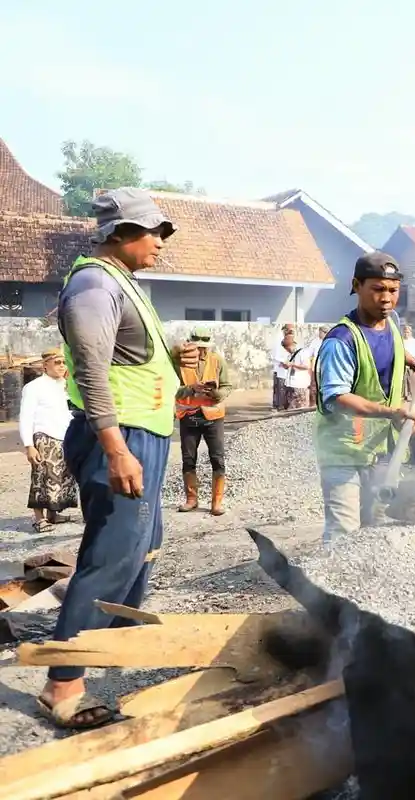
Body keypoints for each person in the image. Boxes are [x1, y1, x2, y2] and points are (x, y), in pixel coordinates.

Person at [43, 187, 181, 728]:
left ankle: (115, 646)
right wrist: (117, 450)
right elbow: (92, 374)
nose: (161, 243)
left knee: (144, 545)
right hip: (119, 437)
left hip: (145, 432)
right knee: (111, 555)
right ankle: (62, 683)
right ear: (121, 233)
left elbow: (131, 360)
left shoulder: (123, 283)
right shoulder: (94, 287)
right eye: (153, 233)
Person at [314, 251, 415, 546]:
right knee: (344, 533)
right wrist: (390, 412)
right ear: (357, 285)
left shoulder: (390, 325)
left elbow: (394, 347)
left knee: (376, 528)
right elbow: (337, 397)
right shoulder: (341, 340)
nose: (386, 299)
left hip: (382, 451)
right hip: (344, 453)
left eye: (393, 290)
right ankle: (331, 575)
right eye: (378, 289)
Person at [175, 327, 234, 516]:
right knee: (188, 460)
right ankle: (191, 499)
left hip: (213, 416)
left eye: (203, 347)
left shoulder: (217, 361)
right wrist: (191, 389)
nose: (201, 351)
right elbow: (173, 390)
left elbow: (227, 386)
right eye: (197, 347)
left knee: (217, 459)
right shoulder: (180, 363)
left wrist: (216, 394)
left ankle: (216, 503)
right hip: (188, 416)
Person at [20, 349, 77, 534]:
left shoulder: (67, 386)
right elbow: (26, 417)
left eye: (64, 362)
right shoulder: (34, 387)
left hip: (64, 437)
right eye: (57, 362)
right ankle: (39, 519)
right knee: (41, 478)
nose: (62, 366)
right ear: (45, 365)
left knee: (60, 478)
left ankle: (53, 514)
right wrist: (29, 445)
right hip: (44, 437)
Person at [277, 327, 309, 410]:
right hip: (290, 385)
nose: (287, 351)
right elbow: (289, 366)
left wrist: (292, 365)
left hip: (299, 385)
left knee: (299, 410)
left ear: (293, 345)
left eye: (288, 348)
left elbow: (306, 366)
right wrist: (285, 366)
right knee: (290, 409)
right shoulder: (290, 355)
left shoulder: (302, 353)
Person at [270, 324, 296, 411]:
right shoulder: (279, 340)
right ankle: (279, 406)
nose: (290, 332)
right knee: (280, 388)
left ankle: (280, 405)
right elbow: (275, 355)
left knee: (282, 388)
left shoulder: (288, 339)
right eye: (289, 330)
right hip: (280, 368)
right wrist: (284, 362)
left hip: (285, 368)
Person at [307, 326, 331, 407]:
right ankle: (313, 404)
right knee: (314, 387)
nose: (319, 334)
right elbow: (309, 355)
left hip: (327, 369)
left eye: (320, 332)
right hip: (316, 369)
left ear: (325, 333)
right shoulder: (315, 342)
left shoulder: (330, 341)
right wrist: (310, 367)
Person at [402, 324, 415, 400]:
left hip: (412, 363)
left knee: (411, 380)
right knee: (403, 380)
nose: (406, 333)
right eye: (405, 332)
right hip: (403, 362)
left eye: (407, 332)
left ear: (410, 332)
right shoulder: (401, 341)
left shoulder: (414, 342)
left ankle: (411, 395)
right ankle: (405, 395)